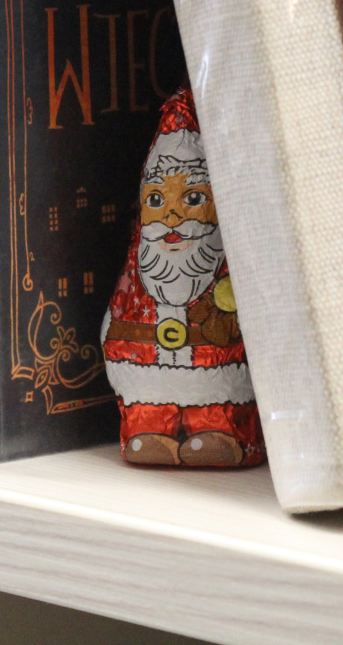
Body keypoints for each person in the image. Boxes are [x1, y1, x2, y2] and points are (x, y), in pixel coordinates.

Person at [101, 89, 263, 467]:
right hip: (146, 372)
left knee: (222, 385)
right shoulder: (137, 277)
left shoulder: (226, 273)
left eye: (192, 199)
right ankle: (149, 428)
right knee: (147, 399)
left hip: (214, 372)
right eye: (158, 201)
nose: (172, 218)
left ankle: (220, 431)